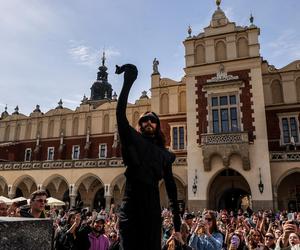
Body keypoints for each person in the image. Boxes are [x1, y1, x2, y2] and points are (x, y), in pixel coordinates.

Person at [115, 64, 181, 250]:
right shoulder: (133, 139)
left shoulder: (165, 155)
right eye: (145, 120)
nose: (149, 122)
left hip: (152, 206)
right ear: (140, 125)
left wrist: (176, 222)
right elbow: (120, 116)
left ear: (157, 125)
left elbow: (171, 188)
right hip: (130, 204)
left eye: (153, 120)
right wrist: (128, 83)